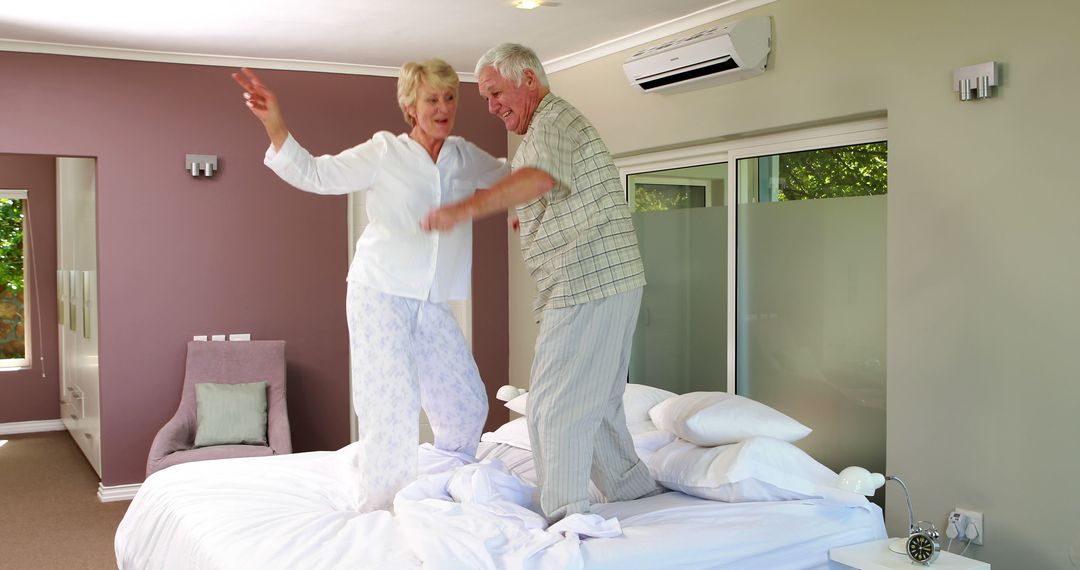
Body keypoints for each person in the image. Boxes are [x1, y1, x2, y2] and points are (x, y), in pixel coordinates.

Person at [232, 60, 508, 512]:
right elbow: (318, 174)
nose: (443, 107)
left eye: (450, 97)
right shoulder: (385, 152)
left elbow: (507, 176)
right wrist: (275, 124)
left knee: (467, 404)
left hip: (433, 300)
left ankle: (444, 477)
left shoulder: (462, 155)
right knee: (391, 408)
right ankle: (383, 510)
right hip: (379, 291)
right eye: (431, 99)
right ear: (409, 105)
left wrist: (519, 203)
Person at [421, 43, 664, 523]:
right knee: (596, 404)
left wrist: (465, 208)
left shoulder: (552, 119)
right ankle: (635, 493)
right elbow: (551, 189)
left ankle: (567, 515)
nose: (491, 107)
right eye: (485, 99)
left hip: (587, 282)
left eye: (495, 93)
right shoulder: (546, 129)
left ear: (528, 80)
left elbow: (537, 179)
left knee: (552, 405)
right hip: (603, 279)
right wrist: (529, 220)